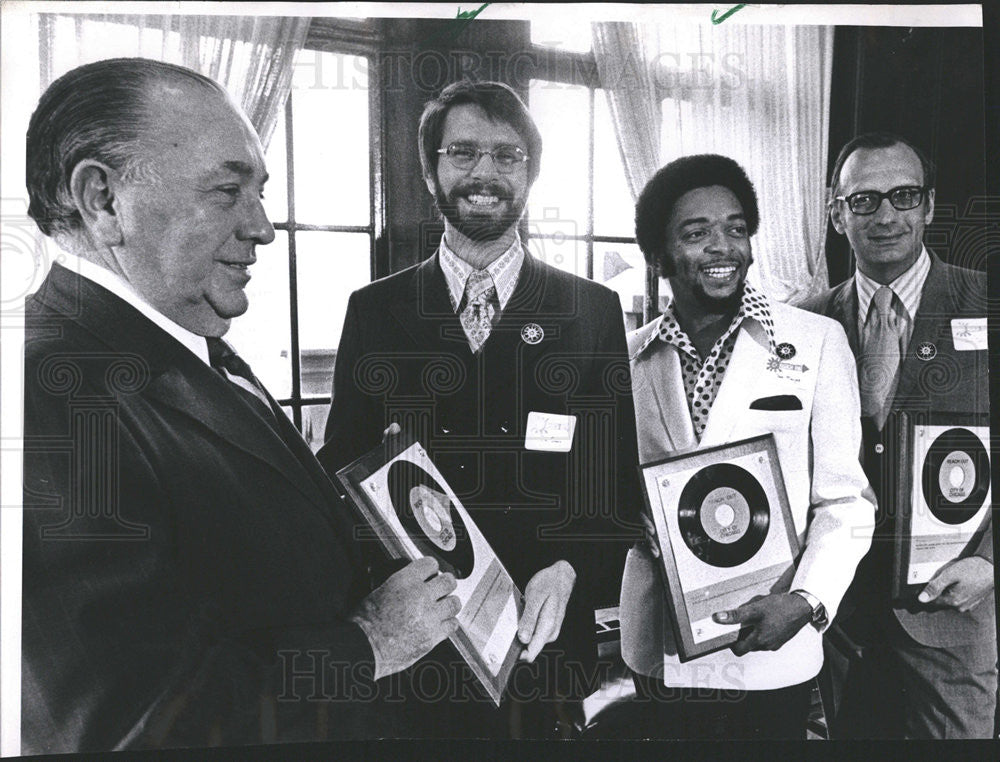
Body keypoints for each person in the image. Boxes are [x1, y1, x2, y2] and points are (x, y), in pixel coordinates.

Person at [21, 58, 461, 753]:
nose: (262, 228)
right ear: (102, 200)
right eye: (227, 190)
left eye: (258, 192)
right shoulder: (45, 398)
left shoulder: (187, 345)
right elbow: (128, 727)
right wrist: (369, 643)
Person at [317, 80, 642, 737]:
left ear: (532, 173)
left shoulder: (591, 312)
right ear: (430, 170)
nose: (485, 173)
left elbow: (614, 488)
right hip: (416, 651)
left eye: (507, 155)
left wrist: (573, 566)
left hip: (543, 646)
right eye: (462, 153)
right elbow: (343, 475)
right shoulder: (376, 312)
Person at [618, 154, 875, 739]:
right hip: (658, 642)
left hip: (771, 641)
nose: (723, 247)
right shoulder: (628, 356)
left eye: (736, 228)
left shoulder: (815, 341)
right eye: (696, 232)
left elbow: (847, 502)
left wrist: (807, 600)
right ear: (657, 254)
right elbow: (609, 489)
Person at [800, 132, 995, 739]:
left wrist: (992, 561)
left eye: (904, 196)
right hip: (841, 622)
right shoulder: (807, 324)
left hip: (952, 612)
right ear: (837, 215)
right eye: (863, 201)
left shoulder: (987, 303)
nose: (885, 216)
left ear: (930, 207)